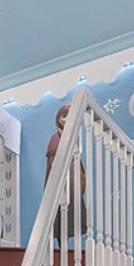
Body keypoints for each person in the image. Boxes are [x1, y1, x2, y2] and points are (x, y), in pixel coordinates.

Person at [45, 102, 87, 244]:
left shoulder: (73, 137)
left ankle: (68, 243)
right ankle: (61, 243)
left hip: (73, 180)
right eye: (64, 116)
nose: (66, 119)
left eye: (69, 116)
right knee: (59, 214)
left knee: (72, 212)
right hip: (60, 180)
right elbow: (52, 162)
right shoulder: (55, 138)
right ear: (58, 119)